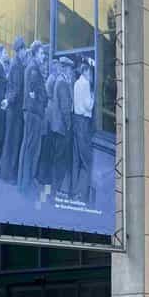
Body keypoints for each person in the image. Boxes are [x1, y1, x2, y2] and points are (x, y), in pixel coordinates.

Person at [18, 42, 48, 196]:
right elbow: (34, 94)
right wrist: (42, 100)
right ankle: (25, 184)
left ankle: (24, 183)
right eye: (42, 53)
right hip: (33, 113)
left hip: (33, 112)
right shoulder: (33, 69)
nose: (44, 56)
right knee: (30, 148)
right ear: (36, 53)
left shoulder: (33, 67)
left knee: (28, 147)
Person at [44, 56, 75, 198]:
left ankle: (52, 190)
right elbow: (65, 108)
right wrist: (69, 125)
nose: (71, 71)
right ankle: (55, 192)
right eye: (69, 69)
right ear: (65, 68)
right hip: (62, 127)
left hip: (56, 126)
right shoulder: (62, 83)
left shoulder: (61, 81)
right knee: (59, 159)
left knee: (57, 158)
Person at [0, 37, 27, 184]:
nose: (25, 52)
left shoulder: (16, 64)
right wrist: (9, 100)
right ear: (20, 50)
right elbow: (16, 88)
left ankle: (4, 172)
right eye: (24, 50)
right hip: (15, 109)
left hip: (13, 108)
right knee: (12, 142)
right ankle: (8, 175)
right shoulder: (17, 66)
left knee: (9, 140)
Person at [70, 62, 95, 203]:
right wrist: (93, 96)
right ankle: (82, 195)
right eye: (90, 73)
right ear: (85, 71)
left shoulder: (76, 83)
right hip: (83, 124)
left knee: (76, 159)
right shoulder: (85, 84)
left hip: (76, 121)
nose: (91, 76)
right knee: (86, 160)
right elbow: (88, 105)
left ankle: (73, 192)